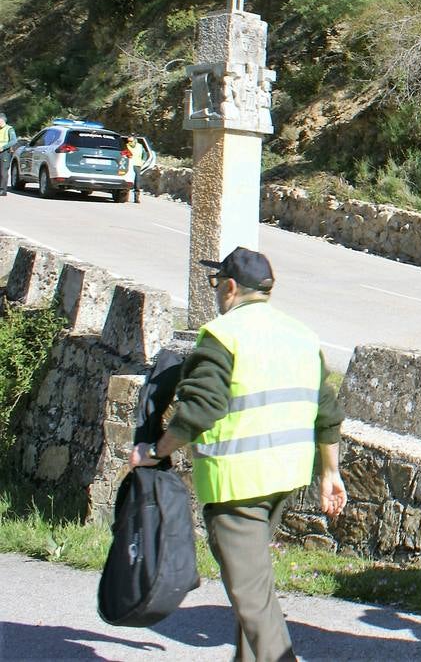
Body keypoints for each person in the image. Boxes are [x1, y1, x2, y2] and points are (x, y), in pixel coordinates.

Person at [129, 247, 346, 662]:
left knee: (252, 599)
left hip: (237, 484)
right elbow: (328, 414)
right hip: (285, 478)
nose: (215, 293)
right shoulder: (301, 334)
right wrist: (329, 473)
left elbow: (199, 409)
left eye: (216, 285)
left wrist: (156, 452)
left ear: (229, 288)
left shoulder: (223, 335)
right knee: (255, 590)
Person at [124, 135, 146, 203]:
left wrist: (142, 161)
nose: (130, 142)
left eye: (131, 141)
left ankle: (136, 198)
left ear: (135, 140)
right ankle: (125, 197)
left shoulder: (140, 146)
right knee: (128, 181)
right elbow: (123, 153)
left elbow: (144, 155)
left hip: (137, 166)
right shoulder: (126, 146)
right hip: (129, 165)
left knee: (137, 182)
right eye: (129, 141)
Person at [0, 111, 17, 197]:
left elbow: (14, 141)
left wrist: (3, 147)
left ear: (3, 120)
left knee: (3, 172)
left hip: (5, 153)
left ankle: (3, 190)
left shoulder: (9, 129)